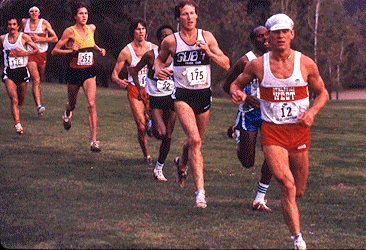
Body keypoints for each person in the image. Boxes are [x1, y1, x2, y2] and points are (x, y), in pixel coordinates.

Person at [230, 14, 329, 249]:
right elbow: (236, 83)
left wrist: (312, 112)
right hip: (272, 133)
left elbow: (322, 93)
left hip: (299, 132)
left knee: (299, 190)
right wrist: (237, 92)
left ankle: (291, 211)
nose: (281, 36)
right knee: (287, 184)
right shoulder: (257, 65)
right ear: (269, 37)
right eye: (276, 32)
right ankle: (298, 239)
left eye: (285, 32)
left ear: (292, 34)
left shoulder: (305, 63)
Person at [155, 0, 230, 208]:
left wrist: (209, 52)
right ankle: (200, 194)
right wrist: (157, 70)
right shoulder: (171, 41)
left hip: (203, 96)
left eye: (192, 13)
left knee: (194, 142)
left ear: (196, 16)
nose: (189, 17)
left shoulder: (207, 37)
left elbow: (226, 64)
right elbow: (159, 60)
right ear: (178, 18)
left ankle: (181, 163)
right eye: (185, 14)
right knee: (195, 140)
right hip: (182, 96)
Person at [223, 26, 273, 213]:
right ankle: (237, 131)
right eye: (260, 36)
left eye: (267, 35)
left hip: (271, 115)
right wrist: (244, 96)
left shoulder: (277, 58)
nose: (265, 39)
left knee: (273, 156)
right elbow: (228, 85)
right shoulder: (245, 61)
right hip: (250, 113)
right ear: (253, 40)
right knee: (247, 162)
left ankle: (259, 199)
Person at [51, 2, 106, 152]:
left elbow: (91, 42)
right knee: (72, 104)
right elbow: (55, 51)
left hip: (89, 70)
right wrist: (70, 51)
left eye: (86, 13)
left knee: (91, 104)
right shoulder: (69, 32)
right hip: (74, 71)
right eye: (81, 14)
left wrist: (99, 49)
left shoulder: (92, 28)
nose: (84, 16)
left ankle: (94, 141)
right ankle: (67, 113)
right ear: (75, 16)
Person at [132, 25, 176, 181]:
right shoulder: (151, 55)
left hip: (172, 99)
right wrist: (140, 89)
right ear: (159, 39)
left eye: (169, 35)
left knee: (168, 136)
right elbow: (134, 71)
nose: (166, 38)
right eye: (163, 35)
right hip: (155, 100)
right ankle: (151, 124)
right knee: (161, 133)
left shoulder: (178, 56)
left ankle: (159, 168)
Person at [111, 18, 158, 165]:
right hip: (134, 89)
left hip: (152, 90)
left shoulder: (154, 48)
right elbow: (114, 74)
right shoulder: (126, 52)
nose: (141, 32)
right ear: (133, 32)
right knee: (141, 125)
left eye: (143, 28)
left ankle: (150, 120)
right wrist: (120, 81)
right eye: (138, 29)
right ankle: (147, 155)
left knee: (155, 127)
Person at [1, 16, 40, 134]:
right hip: (9, 72)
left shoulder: (24, 37)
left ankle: (18, 114)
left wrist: (25, 53)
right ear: (7, 26)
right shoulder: (3, 39)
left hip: (22, 71)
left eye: (14, 24)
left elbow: (36, 50)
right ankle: (18, 124)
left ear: (18, 26)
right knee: (14, 99)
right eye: (9, 24)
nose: (12, 27)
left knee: (21, 100)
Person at [22, 6, 58, 116]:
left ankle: (36, 98)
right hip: (30, 54)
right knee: (36, 79)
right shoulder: (24, 22)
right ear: (29, 14)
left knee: (39, 79)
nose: (34, 13)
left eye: (36, 11)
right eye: (31, 11)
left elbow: (55, 38)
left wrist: (40, 39)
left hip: (42, 54)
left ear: (39, 13)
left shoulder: (44, 23)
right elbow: (20, 35)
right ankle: (39, 106)